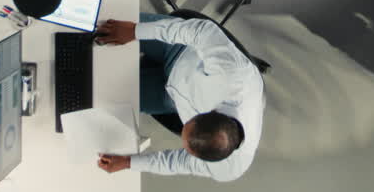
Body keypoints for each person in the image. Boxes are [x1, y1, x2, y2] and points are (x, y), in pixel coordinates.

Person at [92, 12, 264, 182]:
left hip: (170, 96)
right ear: (209, 111)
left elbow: (179, 163)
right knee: (104, 26)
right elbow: (202, 32)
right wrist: (135, 31)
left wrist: (128, 162)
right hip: (179, 49)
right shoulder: (233, 76)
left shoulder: (229, 169)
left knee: (99, 96)